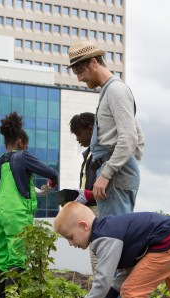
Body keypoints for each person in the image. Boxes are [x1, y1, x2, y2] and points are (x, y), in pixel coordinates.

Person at [67, 41, 145, 217]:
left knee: (113, 237)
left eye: (80, 72)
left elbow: (130, 138)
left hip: (114, 178)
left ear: (94, 62)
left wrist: (109, 173)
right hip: (114, 175)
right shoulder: (109, 91)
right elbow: (138, 136)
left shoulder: (116, 90)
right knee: (112, 235)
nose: (79, 79)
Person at [0, 112, 59, 298]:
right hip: (17, 215)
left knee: (3, 260)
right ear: (21, 142)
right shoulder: (23, 156)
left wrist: (34, 191)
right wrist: (50, 186)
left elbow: (9, 188)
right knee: (18, 259)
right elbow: (52, 174)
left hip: (0, 214)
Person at [69, 112, 124, 298]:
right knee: (99, 265)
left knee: (106, 266)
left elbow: (104, 189)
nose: (77, 139)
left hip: (100, 215)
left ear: (91, 129)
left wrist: (86, 195)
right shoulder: (89, 156)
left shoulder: (103, 156)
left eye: (79, 133)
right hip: (92, 213)